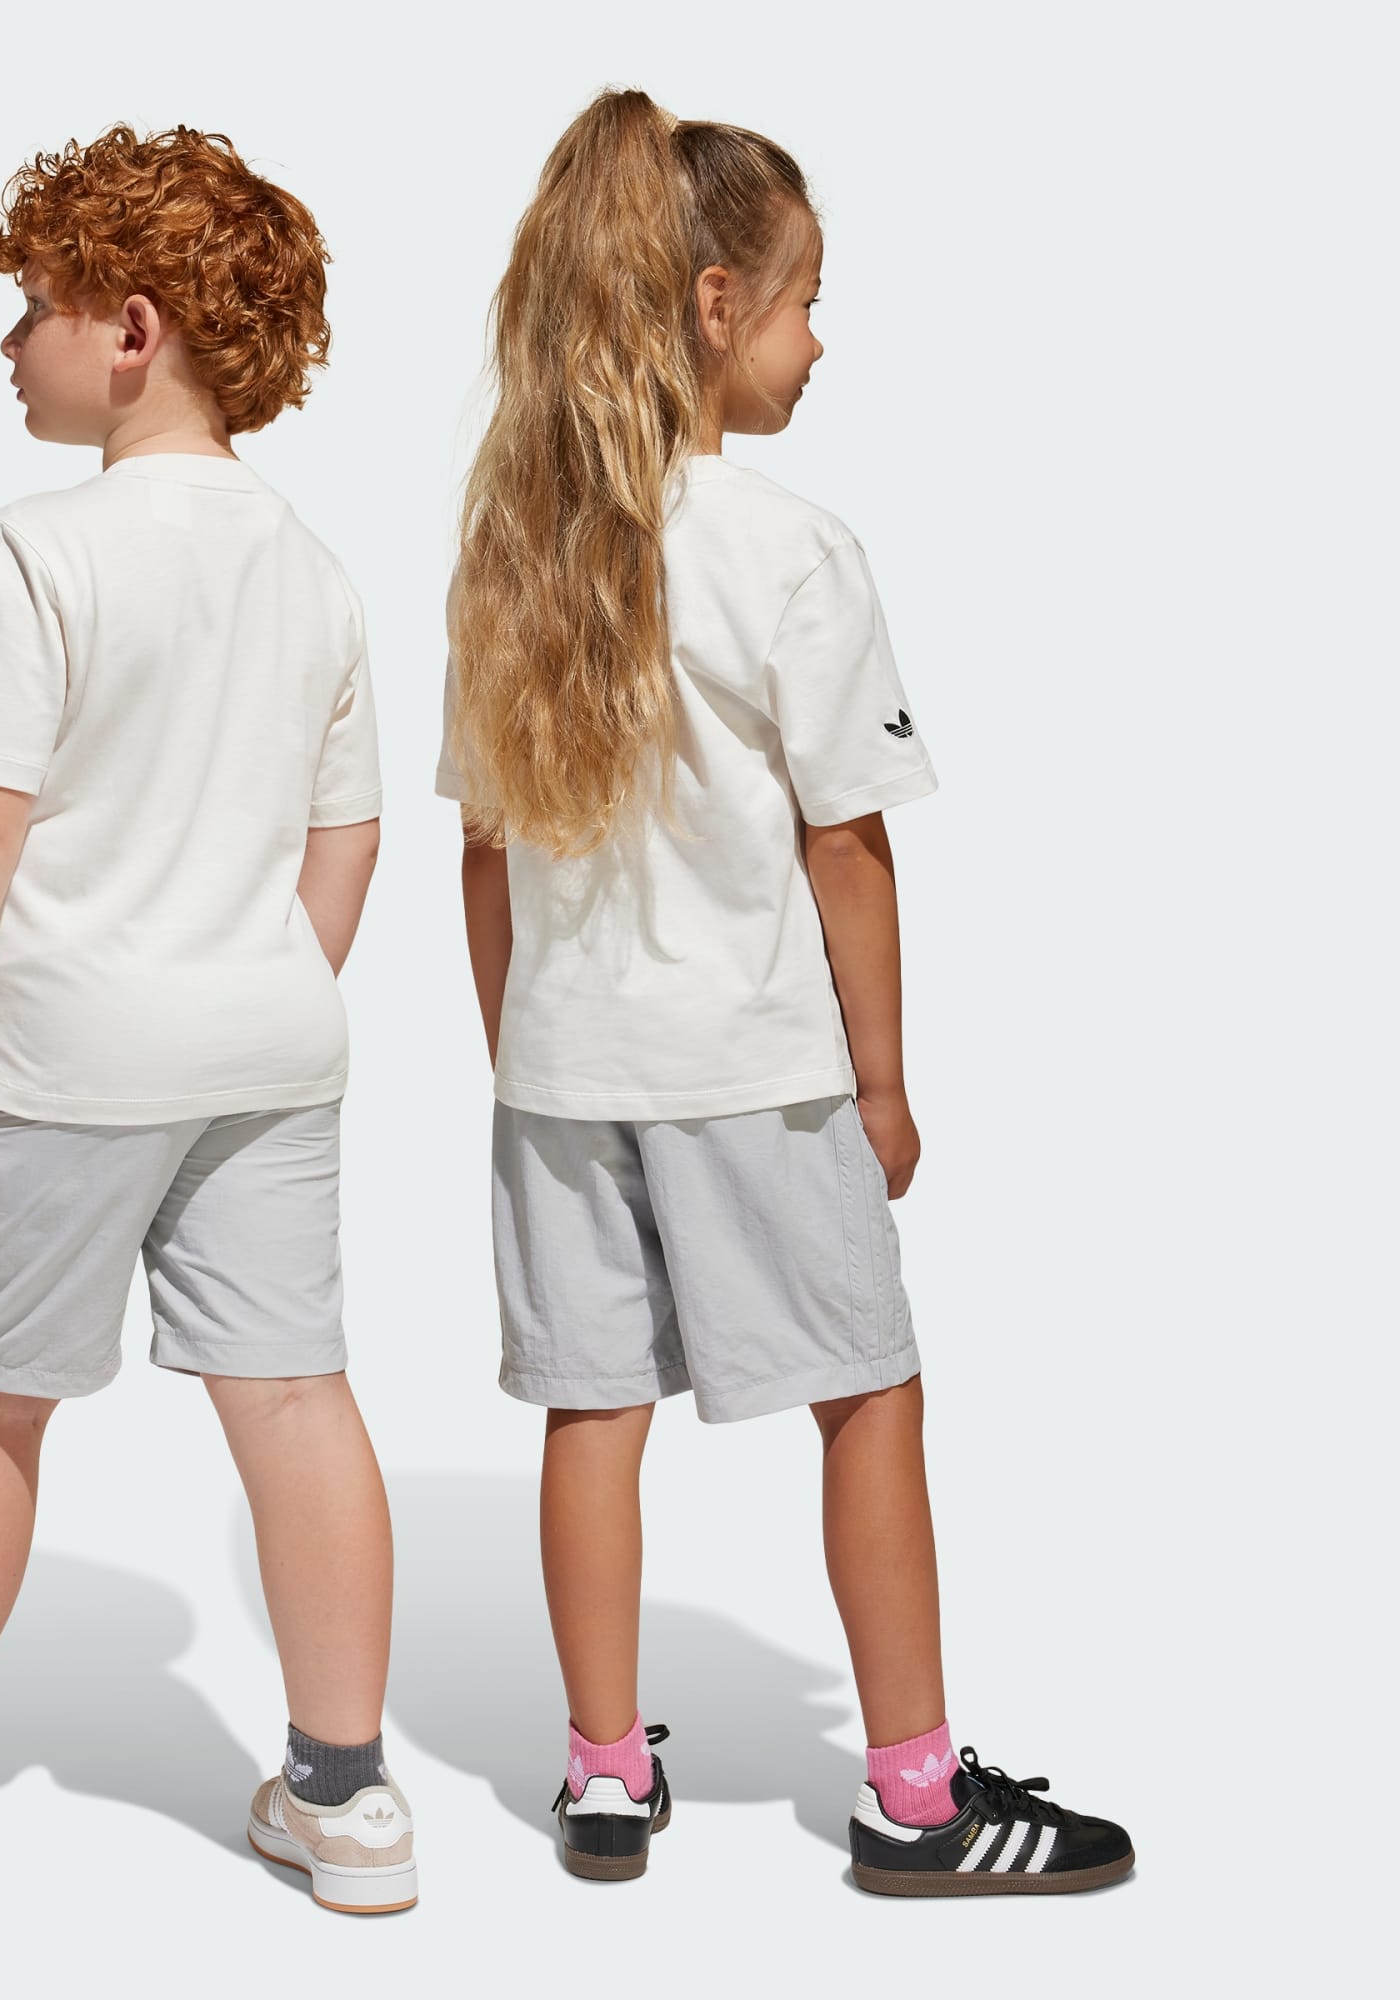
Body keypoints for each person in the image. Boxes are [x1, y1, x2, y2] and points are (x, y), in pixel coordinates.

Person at [438, 88, 1131, 1896]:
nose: (822, 342)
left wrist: (520, 1052)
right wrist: (882, 1078)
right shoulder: (791, 548)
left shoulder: (514, 555)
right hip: (756, 1061)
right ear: (716, 302)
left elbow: (484, 858)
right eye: (811, 301)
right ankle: (915, 1797)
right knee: (869, 1394)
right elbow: (848, 846)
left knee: (593, 1411)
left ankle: (603, 1775)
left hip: (561, 1079)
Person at [0, 123, 416, 1914]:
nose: (7, 341)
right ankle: (349, 1796)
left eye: (34, 306)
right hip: (271, 1053)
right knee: (298, 1400)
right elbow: (348, 835)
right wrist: (264, 981)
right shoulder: (316, 569)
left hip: (65, 1063)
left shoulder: (38, 549)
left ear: (133, 330)